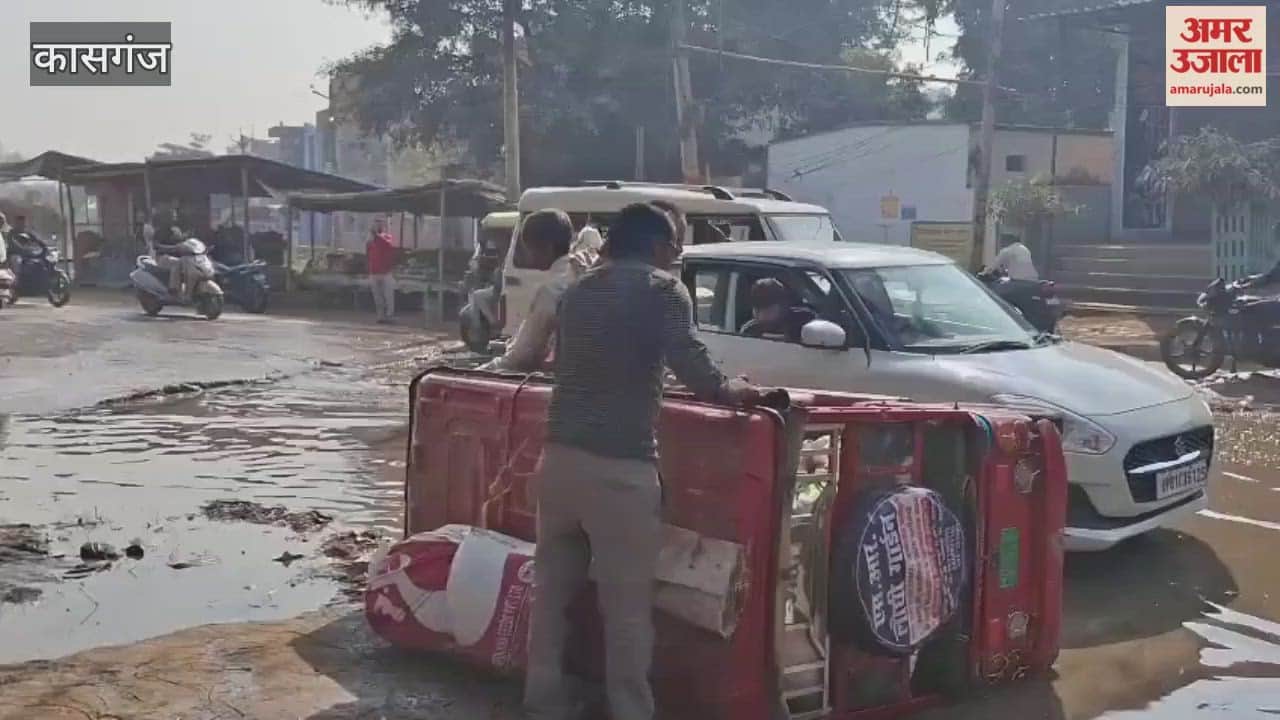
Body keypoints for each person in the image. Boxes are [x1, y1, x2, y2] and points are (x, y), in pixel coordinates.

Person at [524, 202, 763, 720]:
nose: (676, 256)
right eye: (675, 246)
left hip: (559, 461)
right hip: (621, 470)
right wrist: (733, 389)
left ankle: (543, 702)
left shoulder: (578, 291)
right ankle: (630, 711)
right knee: (627, 609)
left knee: (551, 596)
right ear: (657, 247)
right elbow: (696, 369)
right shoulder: (663, 291)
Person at [480, 209, 589, 372]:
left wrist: (481, 371)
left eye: (530, 249)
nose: (528, 256)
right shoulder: (581, 268)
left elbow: (522, 356)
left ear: (547, 248)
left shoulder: (552, 291)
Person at [739, 277, 817, 342]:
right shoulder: (749, 330)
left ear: (783, 305)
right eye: (757, 308)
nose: (761, 314)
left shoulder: (803, 320)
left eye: (768, 308)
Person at [366, 219, 397, 324]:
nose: (377, 226)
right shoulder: (370, 241)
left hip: (386, 272)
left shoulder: (387, 238)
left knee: (388, 296)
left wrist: (375, 234)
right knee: (377, 297)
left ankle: (390, 315)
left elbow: (385, 243)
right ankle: (380, 316)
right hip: (374, 272)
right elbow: (368, 255)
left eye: (379, 224)